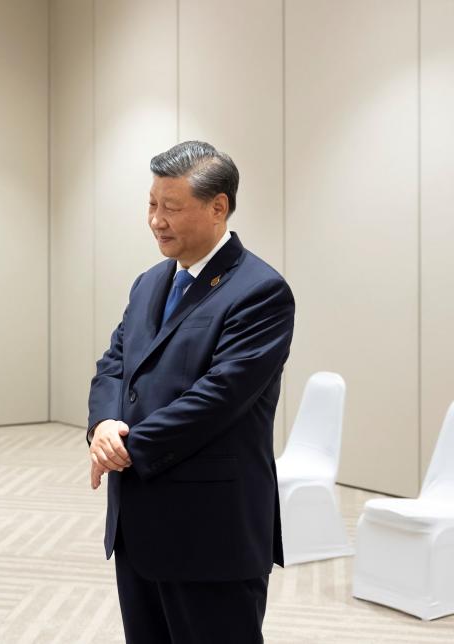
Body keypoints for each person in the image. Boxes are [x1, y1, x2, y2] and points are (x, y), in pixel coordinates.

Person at [88, 141, 294, 643]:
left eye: (172, 208)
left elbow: (217, 399)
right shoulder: (149, 283)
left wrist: (126, 446)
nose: (156, 220)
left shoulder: (260, 292)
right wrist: (103, 425)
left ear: (218, 207)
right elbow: (115, 364)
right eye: (152, 205)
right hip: (139, 525)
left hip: (211, 534)